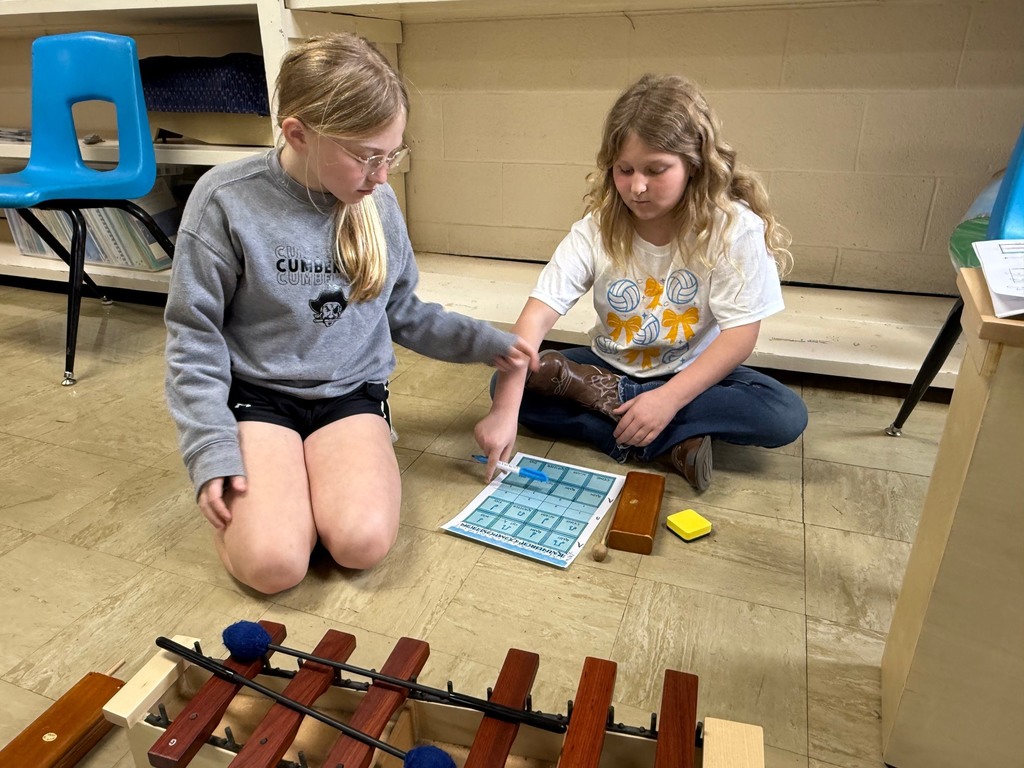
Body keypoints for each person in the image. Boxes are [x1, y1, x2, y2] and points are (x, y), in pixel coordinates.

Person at [164, 33, 536, 595]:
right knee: (273, 566)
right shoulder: (225, 200)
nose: (384, 175)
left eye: (393, 154)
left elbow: (402, 310)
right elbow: (195, 336)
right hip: (257, 397)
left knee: (361, 544)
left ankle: (309, 484)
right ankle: (281, 496)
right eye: (366, 156)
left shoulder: (374, 200)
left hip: (350, 394)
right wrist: (210, 446)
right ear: (297, 133)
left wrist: (484, 341)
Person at [475, 74, 807, 492]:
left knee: (783, 414)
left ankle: (620, 411)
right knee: (502, 386)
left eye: (656, 170)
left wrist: (667, 399)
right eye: (624, 170)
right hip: (607, 363)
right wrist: (504, 410)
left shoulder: (733, 228)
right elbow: (536, 315)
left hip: (689, 372)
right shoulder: (596, 229)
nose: (637, 187)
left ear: (695, 164)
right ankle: (667, 444)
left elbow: (739, 336)